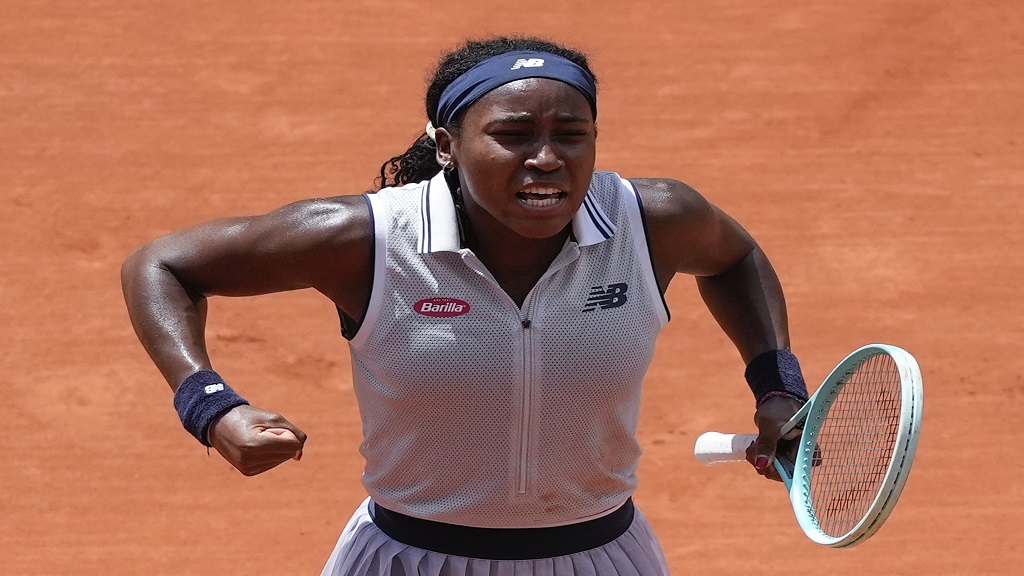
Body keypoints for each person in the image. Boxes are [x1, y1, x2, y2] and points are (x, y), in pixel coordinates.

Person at [121, 36, 809, 576]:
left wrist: (777, 386)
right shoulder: (369, 240)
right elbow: (162, 264)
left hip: (600, 558)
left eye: (572, 134)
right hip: (405, 561)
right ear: (447, 146)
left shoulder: (652, 221)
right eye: (513, 135)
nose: (547, 158)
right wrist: (211, 408)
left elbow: (735, 256)